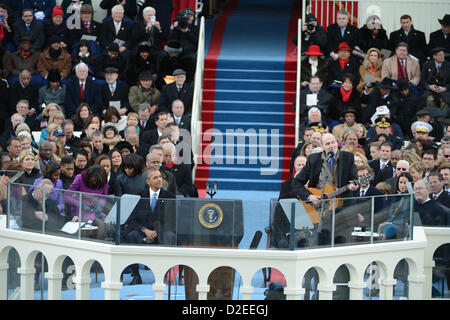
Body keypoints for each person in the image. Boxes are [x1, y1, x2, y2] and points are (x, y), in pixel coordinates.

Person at [122, 167, 175, 284]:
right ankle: (136, 276)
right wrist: (145, 230)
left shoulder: (170, 197)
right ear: (148, 181)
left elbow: (171, 221)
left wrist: (156, 232)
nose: (159, 180)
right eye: (155, 178)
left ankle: (164, 274)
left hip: (161, 232)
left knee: (170, 235)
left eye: (160, 177)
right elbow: (132, 219)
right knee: (131, 236)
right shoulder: (139, 196)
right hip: (142, 231)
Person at [66, 164, 110, 239]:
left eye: (97, 181)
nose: (95, 183)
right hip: (80, 211)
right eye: (94, 180)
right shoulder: (80, 178)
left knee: (108, 224)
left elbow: (104, 197)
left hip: (96, 211)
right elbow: (67, 195)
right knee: (100, 225)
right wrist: (81, 204)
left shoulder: (103, 181)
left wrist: (100, 205)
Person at [378, 172, 413, 239]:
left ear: (409, 184)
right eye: (400, 182)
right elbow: (386, 213)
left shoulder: (411, 198)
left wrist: (391, 223)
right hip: (390, 223)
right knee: (381, 226)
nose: (402, 185)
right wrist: (386, 222)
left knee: (388, 229)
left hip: (403, 225)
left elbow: (408, 217)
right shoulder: (393, 197)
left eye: (405, 183)